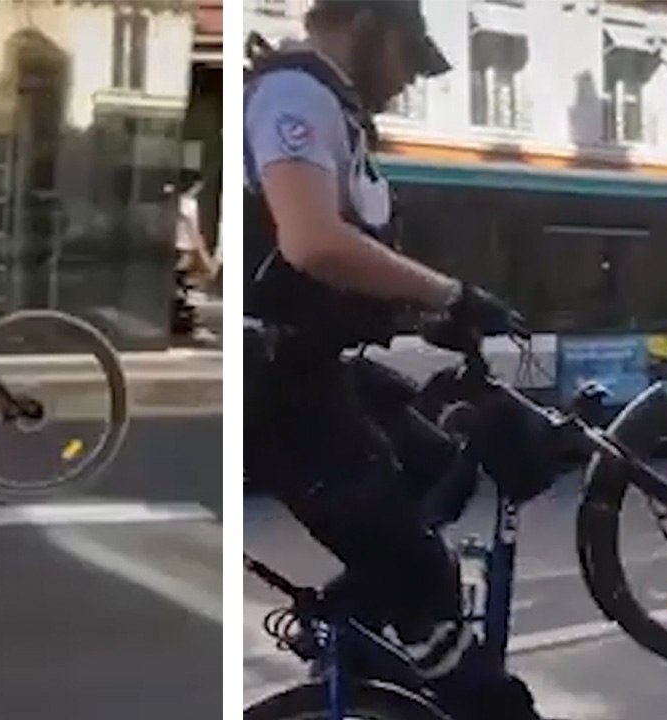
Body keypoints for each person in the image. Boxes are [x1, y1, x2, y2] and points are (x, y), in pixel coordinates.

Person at [243, 3, 562, 718]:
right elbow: (312, 242)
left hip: (314, 371)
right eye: (411, 59)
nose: (409, 81)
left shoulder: (330, 107)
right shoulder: (296, 94)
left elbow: (324, 277)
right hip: (281, 396)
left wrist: (432, 313)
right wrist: (452, 291)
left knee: (435, 464)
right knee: (435, 606)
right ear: (369, 27)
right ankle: (442, 671)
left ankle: (367, 628)